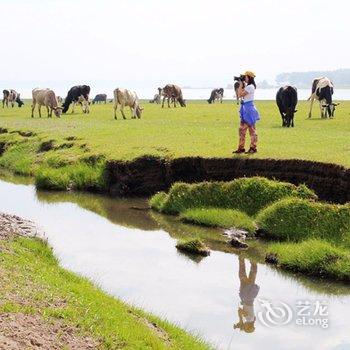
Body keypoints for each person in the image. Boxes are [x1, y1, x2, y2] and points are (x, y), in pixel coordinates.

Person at [233, 71, 260, 154]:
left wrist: (240, 84)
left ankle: (253, 148)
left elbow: (240, 95)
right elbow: (240, 94)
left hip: (248, 110)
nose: (244, 78)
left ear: (249, 77)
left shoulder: (250, 87)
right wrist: (242, 84)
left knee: (252, 130)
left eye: (245, 76)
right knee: (242, 130)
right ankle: (241, 148)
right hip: (246, 109)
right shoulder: (248, 86)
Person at [233, 256, 260, 333]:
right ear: (248, 326)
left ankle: (251, 258)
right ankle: (244, 257)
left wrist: (239, 324)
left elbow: (244, 310)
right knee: (243, 275)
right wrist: (240, 320)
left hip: (247, 297)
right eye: (245, 328)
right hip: (247, 295)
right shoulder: (249, 319)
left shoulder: (252, 319)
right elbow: (240, 311)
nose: (243, 326)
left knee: (250, 275)